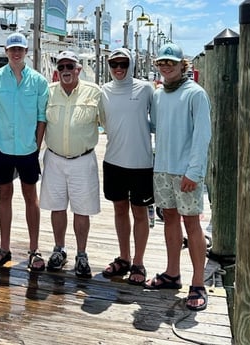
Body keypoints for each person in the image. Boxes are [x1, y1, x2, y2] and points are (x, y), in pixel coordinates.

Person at [144, 43, 211, 312]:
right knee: (169, 218)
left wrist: (193, 172)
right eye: (161, 62)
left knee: (192, 224)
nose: (165, 66)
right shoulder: (159, 95)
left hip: (186, 172)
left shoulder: (196, 94)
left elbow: (202, 135)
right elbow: (155, 126)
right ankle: (172, 273)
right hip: (162, 168)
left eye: (171, 62)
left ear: (183, 64)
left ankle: (198, 283)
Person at [0, 32, 48, 271]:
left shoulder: (39, 81)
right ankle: (4, 247)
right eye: (12, 49)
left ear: (26, 52)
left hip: (27, 149)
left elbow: (42, 118)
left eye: (20, 49)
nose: (16, 53)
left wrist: (37, 145)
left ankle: (34, 249)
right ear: (6, 51)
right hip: (0, 147)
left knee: (31, 197)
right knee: (4, 195)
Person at [40, 51, 103, 278]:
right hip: (54, 159)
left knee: (82, 209)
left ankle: (82, 254)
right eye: (61, 67)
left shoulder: (94, 92)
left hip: (83, 160)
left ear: (78, 69)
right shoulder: (48, 92)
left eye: (70, 67)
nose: (65, 71)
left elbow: (107, 122)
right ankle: (59, 249)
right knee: (57, 207)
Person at [99, 48, 154, 285]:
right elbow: (101, 121)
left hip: (141, 163)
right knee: (119, 210)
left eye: (123, 64)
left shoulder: (146, 89)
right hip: (113, 161)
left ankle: (138, 262)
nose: (119, 68)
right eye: (114, 64)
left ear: (130, 65)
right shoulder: (104, 91)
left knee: (139, 212)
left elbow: (159, 122)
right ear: (109, 66)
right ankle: (124, 257)